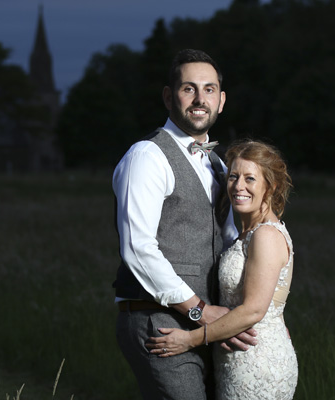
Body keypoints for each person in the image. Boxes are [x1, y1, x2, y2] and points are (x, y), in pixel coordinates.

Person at [113, 49, 256, 400]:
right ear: (168, 96)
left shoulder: (221, 167)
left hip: (209, 326)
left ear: (221, 101)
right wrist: (199, 309)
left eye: (209, 90)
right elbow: (138, 249)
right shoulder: (147, 157)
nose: (199, 99)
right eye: (188, 88)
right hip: (158, 320)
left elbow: (230, 245)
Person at [146, 139, 298, 400]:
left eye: (250, 179)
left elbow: (254, 309)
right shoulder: (246, 233)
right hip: (237, 358)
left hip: (257, 361)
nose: (238, 186)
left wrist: (189, 339)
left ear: (270, 186)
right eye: (233, 177)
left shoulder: (266, 236)